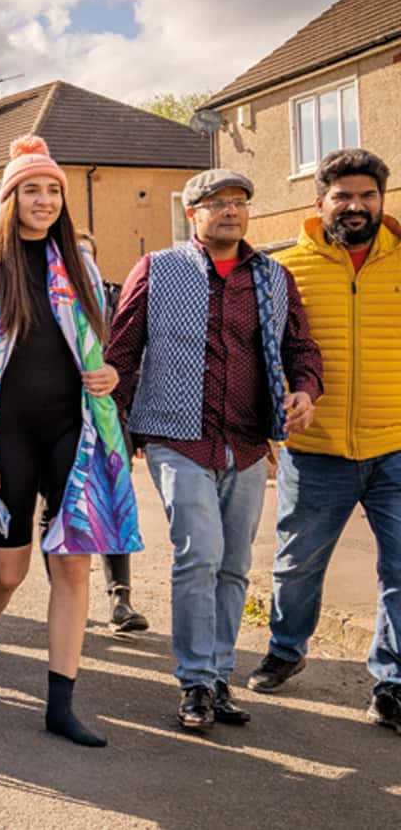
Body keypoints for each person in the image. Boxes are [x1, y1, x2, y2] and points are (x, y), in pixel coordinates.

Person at [105, 169, 322, 731]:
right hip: (177, 436)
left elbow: (300, 345)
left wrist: (305, 389)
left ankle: (221, 676)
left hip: (248, 442)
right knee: (198, 551)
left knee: (234, 563)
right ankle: (195, 681)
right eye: (218, 202)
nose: (232, 210)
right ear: (193, 214)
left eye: (240, 202)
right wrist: (114, 432)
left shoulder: (273, 277)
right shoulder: (157, 269)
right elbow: (122, 351)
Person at [0, 137, 141, 747]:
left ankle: (62, 702)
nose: (45, 199)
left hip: (74, 431)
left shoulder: (74, 260)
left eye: (53, 189)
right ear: (9, 199)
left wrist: (109, 374)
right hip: (6, 434)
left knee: (73, 565)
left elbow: (96, 348)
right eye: (32, 189)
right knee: (7, 571)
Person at [248, 148, 401, 734]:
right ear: (320, 202)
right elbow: (265, 353)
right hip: (315, 452)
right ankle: (286, 649)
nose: (356, 206)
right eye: (343, 196)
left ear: (381, 201)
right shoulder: (287, 269)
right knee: (295, 566)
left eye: (366, 195)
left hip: (394, 446)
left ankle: (392, 684)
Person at [78, 233, 150, 634]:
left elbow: (135, 357)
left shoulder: (117, 298)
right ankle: (68, 597)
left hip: (109, 417)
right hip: (59, 421)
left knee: (115, 499)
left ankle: (120, 599)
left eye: (87, 253)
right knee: (59, 508)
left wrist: (132, 420)